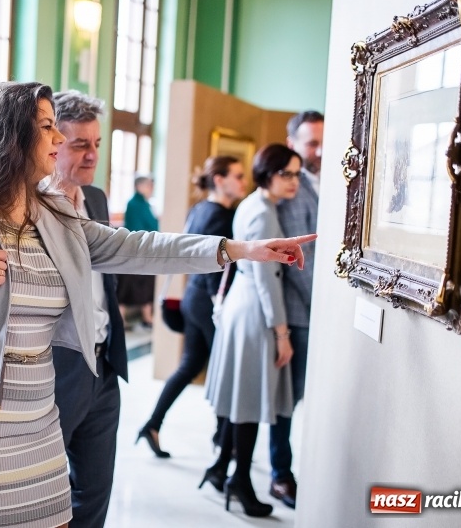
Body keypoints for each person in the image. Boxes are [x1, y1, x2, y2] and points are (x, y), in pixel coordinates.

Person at [0, 81, 314, 527]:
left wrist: (239, 250)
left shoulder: (54, 213)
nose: (59, 140)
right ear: (9, 136)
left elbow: (142, 247)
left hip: (38, 421)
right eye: (48, 128)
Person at [204, 144, 303, 518]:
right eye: (287, 174)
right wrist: (282, 333)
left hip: (242, 305)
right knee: (247, 400)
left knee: (238, 395)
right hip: (255, 312)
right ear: (268, 174)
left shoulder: (254, 204)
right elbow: (266, 279)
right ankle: (239, 480)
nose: (293, 181)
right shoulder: (261, 212)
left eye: (296, 173)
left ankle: (219, 470)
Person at [49, 90, 127, 528]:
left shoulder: (95, 199)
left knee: (95, 493)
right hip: (57, 371)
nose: (92, 154)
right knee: (42, 493)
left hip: (104, 367)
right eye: (80, 145)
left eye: (97, 144)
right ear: (52, 144)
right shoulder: (31, 206)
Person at [138, 156, 246, 460]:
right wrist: (220, 305)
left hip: (192, 299)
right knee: (226, 371)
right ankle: (225, 441)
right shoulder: (223, 216)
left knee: (190, 365)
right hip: (211, 302)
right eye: (237, 176)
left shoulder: (199, 209)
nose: (243, 181)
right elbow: (217, 266)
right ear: (220, 180)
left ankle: (152, 424)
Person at [269, 110, 324, 509]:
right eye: (311, 143)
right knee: (287, 398)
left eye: (324, 141)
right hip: (299, 309)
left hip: (315, 309)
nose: (319, 151)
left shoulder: (331, 178)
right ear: (293, 145)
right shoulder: (291, 187)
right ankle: (280, 474)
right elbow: (295, 258)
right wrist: (322, 307)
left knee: (300, 395)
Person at [117, 174, 159, 328]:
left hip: (144, 249)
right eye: (148, 185)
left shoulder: (144, 203)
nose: (151, 189)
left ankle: (147, 317)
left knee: (146, 284)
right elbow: (148, 224)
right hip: (134, 247)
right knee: (126, 286)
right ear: (139, 186)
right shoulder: (135, 203)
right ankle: (122, 318)